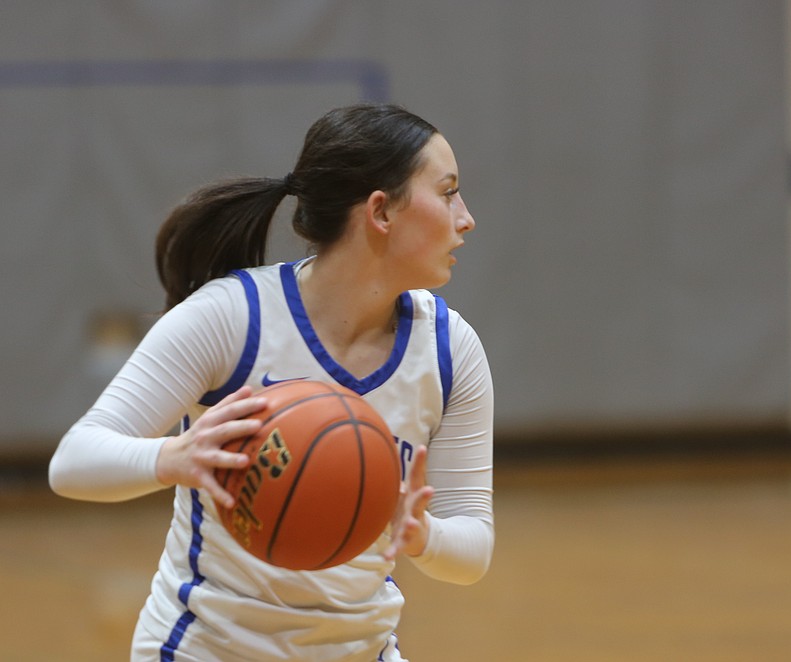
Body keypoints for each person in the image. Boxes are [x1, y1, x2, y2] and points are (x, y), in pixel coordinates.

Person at [48, 103, 494, 661]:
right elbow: (73, 463)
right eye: (448, 192)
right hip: (205, 649)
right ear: (380, 211)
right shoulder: (232, 317)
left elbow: (474, 547)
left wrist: (423, 536)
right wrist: (173, 456)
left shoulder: (451, 349)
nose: (466, 217)